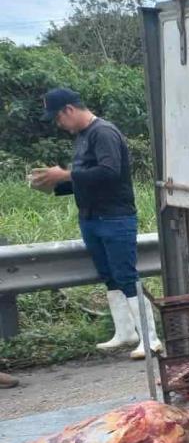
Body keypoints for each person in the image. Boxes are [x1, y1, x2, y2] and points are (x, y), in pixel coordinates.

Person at [28, 88, 161, 359]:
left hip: (114, 217)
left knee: (125, 275)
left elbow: (109, 173)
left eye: (57, 118)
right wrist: (53, 183)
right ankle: (126, 332)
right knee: (109, 276)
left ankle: (151, 339)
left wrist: (64, 175)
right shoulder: (82, 136)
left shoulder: (104, 133)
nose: (58, 125)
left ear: (68, 110)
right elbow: (84, 177)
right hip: (91, 217)